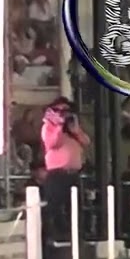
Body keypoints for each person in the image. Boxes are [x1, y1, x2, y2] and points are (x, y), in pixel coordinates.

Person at [40, 97, 90, 240]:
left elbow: (86, 141)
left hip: (73, 173)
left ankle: (76, 234)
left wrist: (76, 130)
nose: (63, 113)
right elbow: (52, 143)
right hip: (57, 173)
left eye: (66, 110)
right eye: (59, 110)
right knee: (54, 207)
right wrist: (59, 126)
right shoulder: (48, 127)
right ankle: (53, 236)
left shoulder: (72, 129)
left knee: (74, 206)